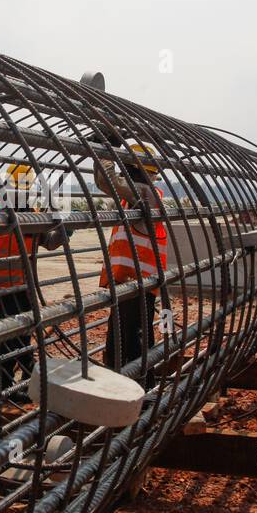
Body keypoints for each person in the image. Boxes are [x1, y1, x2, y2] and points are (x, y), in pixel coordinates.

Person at [0, 163, 67, 395]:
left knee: (22, 337)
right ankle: (6, 386)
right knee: (7, 341)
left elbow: (49, 243)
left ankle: (17, 386)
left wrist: (63, 230)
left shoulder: (34, 218)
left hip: (23, 291)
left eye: (26, 190)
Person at [96, 140, 168, 384]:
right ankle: (128, 382)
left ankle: (138, 386)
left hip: (138, 281)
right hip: (132, 280)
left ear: (135, 170)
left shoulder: (144, 193)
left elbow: (108, 181)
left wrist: (104, 152)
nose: (122, 173)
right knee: (123, 334)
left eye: (125, 168)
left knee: (131, 336)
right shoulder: (137, 195)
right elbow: (106, 182)